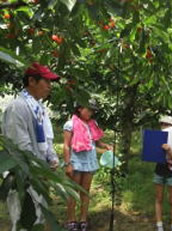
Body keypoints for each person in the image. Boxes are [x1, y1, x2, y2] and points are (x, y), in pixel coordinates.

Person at [1, 62, 60, 231]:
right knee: (23, 220)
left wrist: (52, 157)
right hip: (23, 176)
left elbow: (47, 138)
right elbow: (20, 147)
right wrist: (40, 169)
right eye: (46, 82)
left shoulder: (39, 108)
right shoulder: (17, 107)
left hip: (38, 174)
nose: (49, 86)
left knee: (39, 218)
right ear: (32, 81)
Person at [63, 99, 113, 231]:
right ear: (79, 108)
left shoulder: (92, 124)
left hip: (89, 162)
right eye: (88, 109)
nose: (90, 113)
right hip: (76, 161)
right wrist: (68, 164)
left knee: (85, 192)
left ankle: (83, 219)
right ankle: (71, 219)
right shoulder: (70, 124)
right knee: (73, 192)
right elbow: (66, 146)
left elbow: (96, 142)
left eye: (92, 111)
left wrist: (106, 146)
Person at [154, 116, 172, 231]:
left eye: (167, 125)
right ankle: (159, 225)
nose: (164, 127)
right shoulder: (158, 138)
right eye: (162, 124)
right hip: (159, 169)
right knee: (158, 198)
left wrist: (169, 151)